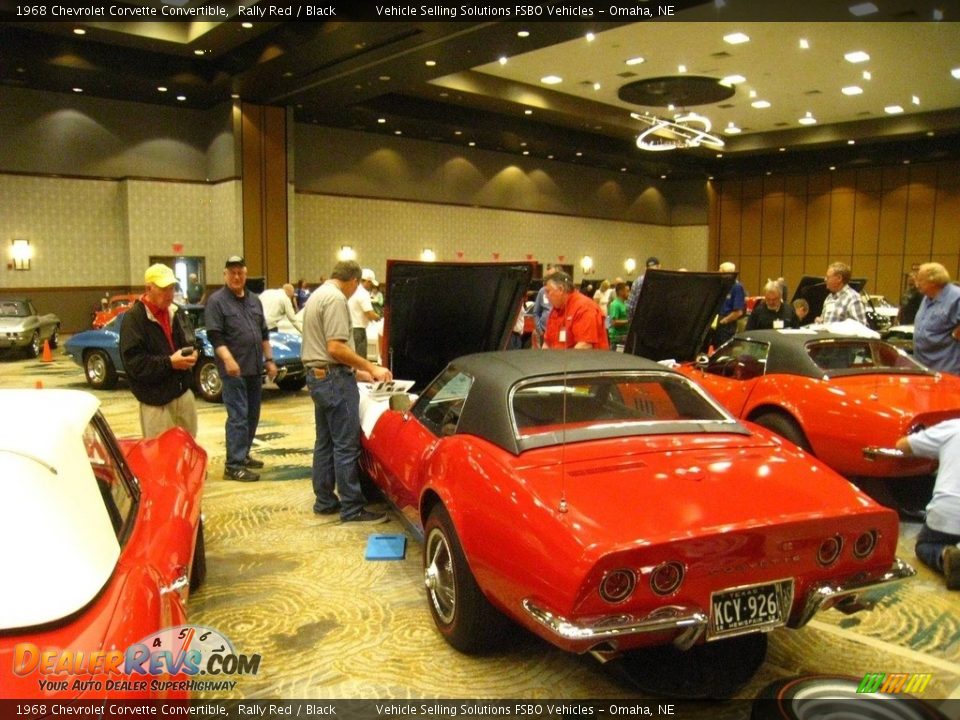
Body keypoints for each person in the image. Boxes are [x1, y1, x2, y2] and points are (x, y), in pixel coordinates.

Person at [302, 260, 393, 523]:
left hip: (320, 377)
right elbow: (335, 348)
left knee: (325, 442)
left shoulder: (317, 295)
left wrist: (357, 373)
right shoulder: (336, 299)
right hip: (333, 380)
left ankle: (325, 500)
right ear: (353, 280)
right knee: (346, 446)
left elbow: (323, 350)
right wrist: (371, 367)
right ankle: (352, 508)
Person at [205, 256, 278, 482]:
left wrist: (269, 359)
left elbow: (263, 332)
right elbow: (214, 335)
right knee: (238, 417)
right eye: (232, 273)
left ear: (246, 275)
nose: (236, 277)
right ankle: (233, 465)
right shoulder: (216, 301)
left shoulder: (254, 300)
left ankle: (243, 454)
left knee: (252, 415)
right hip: (233, 371)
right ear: (225, 275)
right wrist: (228, 359)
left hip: (254, 368)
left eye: (240, 273)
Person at [119, 263, 198, 438]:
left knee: (189, 450)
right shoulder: (134, 319)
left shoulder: (176, 312)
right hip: (156, 402)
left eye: (171, 288)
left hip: (183, 395)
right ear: (148, 288)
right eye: (164, 289)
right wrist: (170, 363)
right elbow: (135, 364)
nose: (169, 294)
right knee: (160, 456)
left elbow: (192, 340)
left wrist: (194, 353)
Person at [895, 419, 960, 590]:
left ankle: (944, 555)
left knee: (925, 546)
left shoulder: (953, 427)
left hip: (947, 513)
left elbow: (902, 445)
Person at [541, 271, 609, 350]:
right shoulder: (555, 310)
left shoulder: (584, 308)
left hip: (585, 361)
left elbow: (584, 346)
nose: (546, 296)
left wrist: (560, 362)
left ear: (560, 289)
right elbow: (547, 343)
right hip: (560, 360)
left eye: (548, 291)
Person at [913, 262, 960, 375]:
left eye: (920, 280)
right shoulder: (927, 297)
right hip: (924, 366)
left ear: (933, 281)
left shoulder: (956, 297)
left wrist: (956, 334)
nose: (917, 284)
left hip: (947, 369)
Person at [348, 268, 381, 361]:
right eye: (371, 283)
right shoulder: (363, 293)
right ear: (366, 281)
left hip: (350, 329)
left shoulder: (353, 291)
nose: (371, 286)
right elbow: (369, 314)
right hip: (358, 331)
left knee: (352, 359)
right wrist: (378, 317)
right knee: (360, 359)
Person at [712, 261, 747, 347]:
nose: (719, 275)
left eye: (721, 272)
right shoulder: (721, 286)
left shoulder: (737, 287)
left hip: (727, 325)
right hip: (716, 324)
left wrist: (724, 321)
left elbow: (738, 312)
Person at [532, 264, 557, 347]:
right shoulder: (542, 291)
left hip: (558, 333)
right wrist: (539, 329)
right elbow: (536, 312)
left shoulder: (562, 292)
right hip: (544, 331)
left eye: (552, 276)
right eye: (548, 276)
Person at [607, 281, 630, 349]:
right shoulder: (615, 304)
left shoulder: (625, 303)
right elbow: (614, 322)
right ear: (621, 292)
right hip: (617, 338)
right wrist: (629, 321)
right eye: (627, 291)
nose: (629, 293)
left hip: (624, 336)